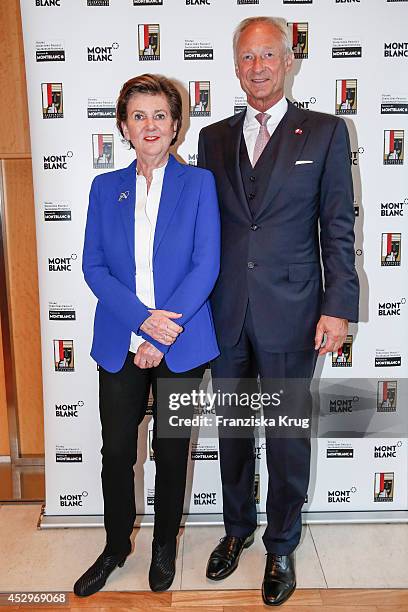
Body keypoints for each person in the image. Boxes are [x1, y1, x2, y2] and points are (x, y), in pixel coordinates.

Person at [198, 17, 359, 606]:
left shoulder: (323, 132)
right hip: (225, 313)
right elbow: (206, 229)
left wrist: (338, 307)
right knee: (235, 432)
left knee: (287, 436)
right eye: (247, 57)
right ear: (236, 66)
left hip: (295, 311)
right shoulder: (212, 139)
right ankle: (237, 530)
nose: (257, 67)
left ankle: (282, 543)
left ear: (289, 61)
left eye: (268, 55)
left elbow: (338, 229)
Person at [74, 74, 220, 597]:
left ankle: (163, 545)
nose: (150, 124)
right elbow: (94, 268)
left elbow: (206, 265)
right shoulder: (102, 187)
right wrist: (142, 321)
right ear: (123, 127)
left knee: (173, 449)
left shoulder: (200, 183)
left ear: (176, 125)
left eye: (160, 115)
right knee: (117, 452)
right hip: (120, 338)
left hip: (182, 342)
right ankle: (115, 547)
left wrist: (165, 329)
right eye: (139, 116)